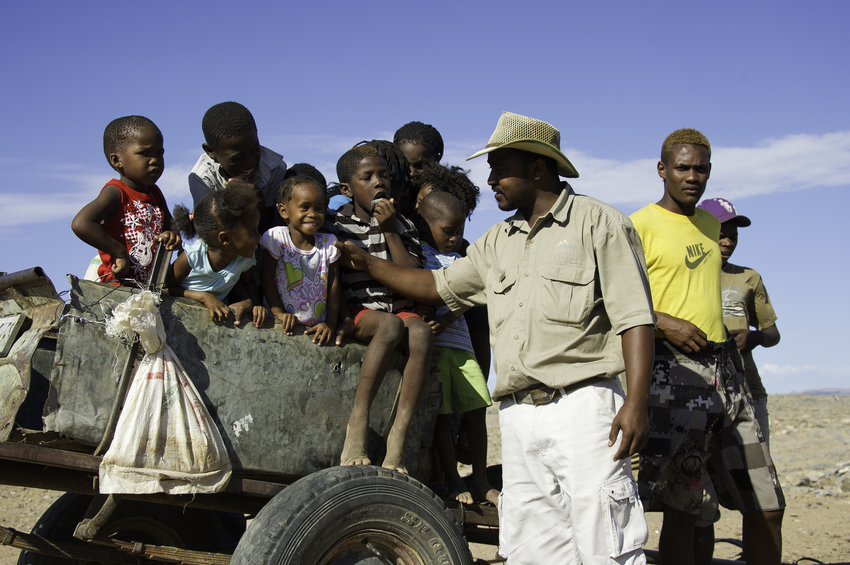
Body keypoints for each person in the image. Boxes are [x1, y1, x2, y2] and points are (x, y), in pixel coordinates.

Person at [336, 111, 655, 564]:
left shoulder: (599, 223)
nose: (489, 180)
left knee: (606, 545)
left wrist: (636, 402)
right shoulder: (495, 241)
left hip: (587, 411)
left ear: (538, 169)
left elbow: (635, 319)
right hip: (520, 417)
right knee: (534, 551)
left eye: (499, 167)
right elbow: (433, 287)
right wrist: (369, 265)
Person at [631, 129, 785, 565]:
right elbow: (611, 297)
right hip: (675, 374)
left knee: (768, 504)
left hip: (729, 374)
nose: (692, 176)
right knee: (684, 510)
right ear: (662, 170)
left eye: (701, 168)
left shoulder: (710, 225)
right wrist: (663, 322)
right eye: (683, 167)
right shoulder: (637, 225)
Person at [329, 144, 433, 474]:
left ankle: (398, 435)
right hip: (363, 311)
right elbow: (329, 276)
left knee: (419, 333)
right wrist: (340, 317)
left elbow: (413, 277)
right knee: (389, 326)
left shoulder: (403, 225)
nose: (379, 182)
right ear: (347, 189)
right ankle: (358, 423)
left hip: (402, 307)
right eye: (368, 177)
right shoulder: (337, 225)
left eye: (384, 175)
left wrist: (390, 231)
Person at [414, 191, 498, 506]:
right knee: (442, 416)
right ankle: (452, 477)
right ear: (426, 226)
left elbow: (470, 295)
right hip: (436, 349)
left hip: (461, 347)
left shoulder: (461, 259)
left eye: (459, 231)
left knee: (476, 410)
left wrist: (448, 318)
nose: (454, 238)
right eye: (447, 231)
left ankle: (480, 479)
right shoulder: (418, 257)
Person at [698, 197, 780, 446]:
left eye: (733, 237)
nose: (728, 242)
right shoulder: (685, 275)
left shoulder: (748, 277)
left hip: (747, 390)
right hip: (700, 392)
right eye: (721, 235)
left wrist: (754, 337)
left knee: (756, 478)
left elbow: (773, 333)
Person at [72, 116, 180, 286]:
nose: (155, 160)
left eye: (159, 153)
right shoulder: (115, 192)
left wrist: (171, 236)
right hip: (117, 287)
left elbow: (170, 226)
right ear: (117, 160)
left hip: (147, 289)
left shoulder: (155, 193)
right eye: (144, 153)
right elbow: (81, 223)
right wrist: (119, 253)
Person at [165, 179, 266, 328]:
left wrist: (253, 304)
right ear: (225, 238)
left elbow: (248, 282)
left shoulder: (244, 259)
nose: (259, 236)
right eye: (252, 231)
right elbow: (161, 288)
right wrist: (204, 297)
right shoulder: (193, 257)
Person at [260, 175, 341, 345]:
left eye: (319, 209)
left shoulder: (328, 244)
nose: (313, 214)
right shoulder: (277, 238)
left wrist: (330, 324)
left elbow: (334, 285)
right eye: (304, 207)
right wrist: (279, 313)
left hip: (316, 328)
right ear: (284, 211)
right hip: (279, 325)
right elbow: (266, 277)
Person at [188, 101, 287, 233]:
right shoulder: (202, 178)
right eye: (237, 157)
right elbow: (209, 232)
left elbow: (265, 227)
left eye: (254, 150)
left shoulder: (275, 168)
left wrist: (255, 195)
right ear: (211, 152)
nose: (249, 161)